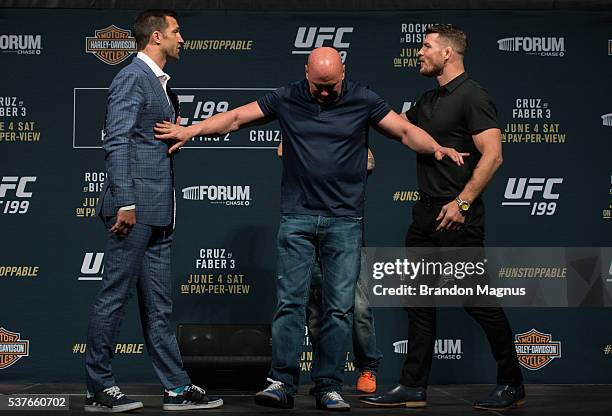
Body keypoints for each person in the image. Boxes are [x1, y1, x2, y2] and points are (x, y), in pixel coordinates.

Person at [155, 46, 466, 411]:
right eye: (317, 85)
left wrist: (435, 149)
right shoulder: (288, 97)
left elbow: (403, 131)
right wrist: (191, 130)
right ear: (306, 73)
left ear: (343, 74)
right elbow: (236, 117)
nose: (323, 92)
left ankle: (328, 385)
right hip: (298, 218)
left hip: (344, 220)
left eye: (330, 86)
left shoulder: (363, 99)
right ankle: (281, 383)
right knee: (290, 305)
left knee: (338, 310)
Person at [361, 25, 525, 410]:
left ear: (448, 53)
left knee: (477, 300)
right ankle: (413, 386)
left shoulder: (473, 95)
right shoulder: (428, 99)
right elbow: (397, 128)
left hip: (458, 216)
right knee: (418, 303)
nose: (419, 52)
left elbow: (494, 156)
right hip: (425, 216)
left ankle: (512, 382)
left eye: (426, 46)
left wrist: (463, 202)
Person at [84, 10, 222, 413]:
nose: (183, 38)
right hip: (135, 209)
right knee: (114, 297)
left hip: (160, 211)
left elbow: (146, 139)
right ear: (157, 36)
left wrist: (173, 139)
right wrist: (125, 201)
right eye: (177, 31)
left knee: (159, 304)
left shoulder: (162, 86)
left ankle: (176, 387)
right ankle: (99, 385)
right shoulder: (132, 77)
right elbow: (118, 141)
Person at [279, 143, 383, 394]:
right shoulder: (302, 134)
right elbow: (282, 150)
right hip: (308, 237)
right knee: (315, 314)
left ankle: (367, 365)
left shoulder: (348, 136)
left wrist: (335, 151)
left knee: (358, 308)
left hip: (345, 238)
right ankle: (325, 375)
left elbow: (369, 162)